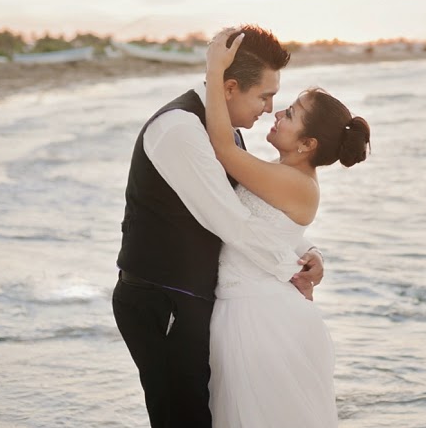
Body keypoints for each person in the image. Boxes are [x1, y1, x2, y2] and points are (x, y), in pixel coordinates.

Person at [112, 25, 325, 428]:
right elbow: (229, 220)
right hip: (163, 299)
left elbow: (256, 208)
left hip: (193, 299)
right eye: (264, 96)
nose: (270, 109)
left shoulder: (223, 129)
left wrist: (306, 251)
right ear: (229, 88)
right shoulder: (180, 130)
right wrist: (291, 269)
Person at [203, 29, 371, 428]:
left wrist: (214, 70)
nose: (277, 113)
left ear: (307, 144)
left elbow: (222, 149)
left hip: (261, 321)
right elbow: (277, 229)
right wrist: (311, 252)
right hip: (249, 311)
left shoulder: (295, 183)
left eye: (290, 114)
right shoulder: (283, 176)